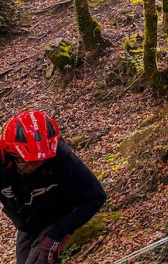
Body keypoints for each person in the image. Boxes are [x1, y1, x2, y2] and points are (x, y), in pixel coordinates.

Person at [0, 111, 107, 264]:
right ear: (10, 155)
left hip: (59, 213)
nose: (33, 167)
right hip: (27, 220)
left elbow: (96, 197)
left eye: (40, 162)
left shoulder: (61, 156)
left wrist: (58, 233)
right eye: (26, 163)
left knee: (39, 259)